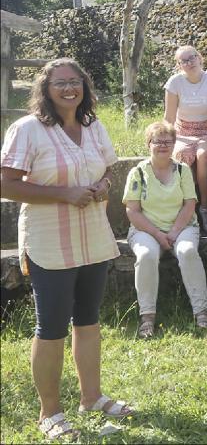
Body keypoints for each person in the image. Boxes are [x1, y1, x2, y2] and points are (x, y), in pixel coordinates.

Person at [1, 59, 133, 440]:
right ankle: (50, 412)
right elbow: (6, 184)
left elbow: (107, 170)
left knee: (88, 320)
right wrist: (65, 194)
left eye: (75, 82)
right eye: (60, 83)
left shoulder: (94, 127)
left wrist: (104, 186)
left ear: (84, 87)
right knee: (52, 327)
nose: (69, 89)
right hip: (49, 240)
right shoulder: (27, 129)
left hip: (92, 234)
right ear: (46, 88)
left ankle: (91, 397)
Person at [124, 122, 207, 338]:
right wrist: (157, 234)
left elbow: (190, 204)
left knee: (187, 251)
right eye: (157, 141)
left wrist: (172, 233)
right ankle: (147, 317)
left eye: (168, 142)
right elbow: (132, 211)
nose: (163, 146)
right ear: (148, 144)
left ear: (174, 144)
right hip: (146, 229)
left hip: (182, 227)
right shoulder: (138, 173)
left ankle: (201, 312)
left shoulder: (182, 170)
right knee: (146, 255)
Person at [163, 45, 207, 235]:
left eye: (191, 58)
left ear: (199, 58)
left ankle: (205, 208)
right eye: (183, 61)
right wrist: (166, 142)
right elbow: (169, 118)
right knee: (182, 155)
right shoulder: (174, 83)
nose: (189, 63)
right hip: (182, 131)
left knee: (204, 154)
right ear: (179, 65)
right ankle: (186, 210)